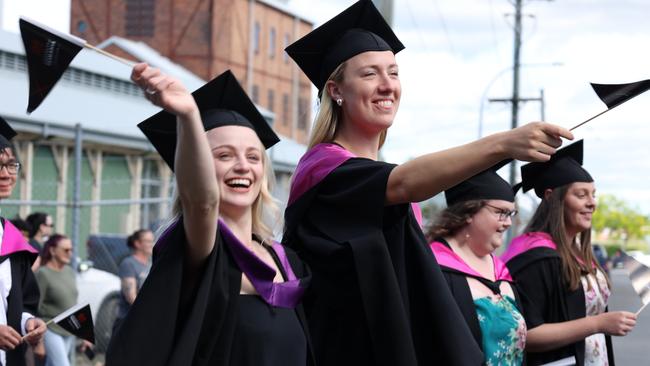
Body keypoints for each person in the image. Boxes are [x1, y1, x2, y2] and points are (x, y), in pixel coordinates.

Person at [282, 1, 573, 364]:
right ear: (336, 90)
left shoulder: (369, 173)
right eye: (370, 74)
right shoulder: (325, 169)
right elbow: (404, 183)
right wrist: (503, 143)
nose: (388, 85)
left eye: (394, 72)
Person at [106, 67, 313, 366]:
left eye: (253, 157)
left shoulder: (287, 260)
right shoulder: (202, 248)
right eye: (224, 155)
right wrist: (188, 116)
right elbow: (202, 204)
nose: (243, 166)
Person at [501, 140, 635, 365]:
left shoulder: (579, 254)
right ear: (552, 197)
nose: (592, 203)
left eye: (594, 194)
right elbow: (527, 334)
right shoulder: (535, 258)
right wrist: (598, 324)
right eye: (581, 195)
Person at [427, 163, 526, 365]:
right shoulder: (433, 269)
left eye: (511, 214)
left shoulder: (500, 270)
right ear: (469, 211)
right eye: (501, 211)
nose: (508, 222)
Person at [0, 116, 47, 366]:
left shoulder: (10, 237)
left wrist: (27, 321)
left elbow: (23, 301)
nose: (6, 174)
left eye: (11, 165)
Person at [35, 234, 77, 366]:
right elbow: (35, 308)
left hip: (70, 329)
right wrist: (39, 342)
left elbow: (72, 303)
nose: (70, 253)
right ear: (52, 250)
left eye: (71, 250)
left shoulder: (69, 272)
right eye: (66, 250)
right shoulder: (43, 273)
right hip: (51, 328)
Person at [113, 229, 154, 332]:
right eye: (148, 241)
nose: (151, 244)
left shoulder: (151, 265)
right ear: (137, 243)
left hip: (145, 320)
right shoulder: (129, 264)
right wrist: (148, 313)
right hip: (129, 321)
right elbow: (131, 296)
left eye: (152, 241)